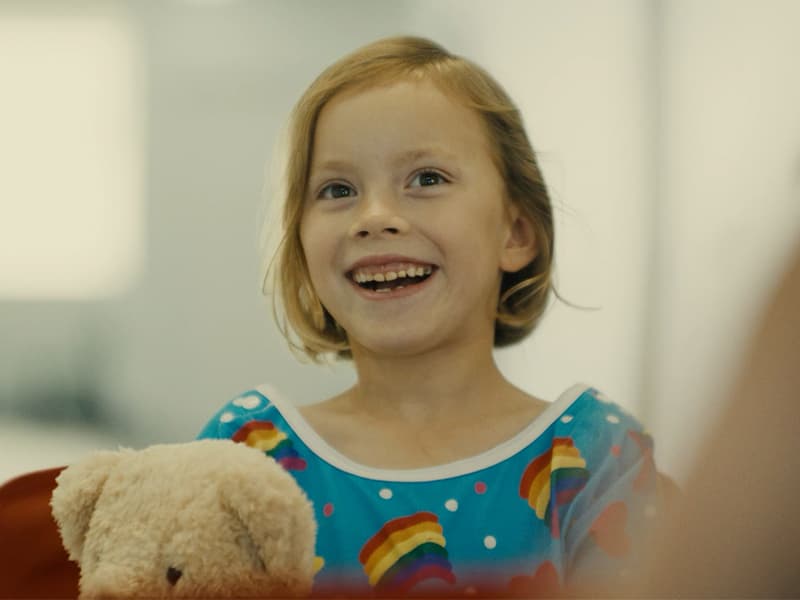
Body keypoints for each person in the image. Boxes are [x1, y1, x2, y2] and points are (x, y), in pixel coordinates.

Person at [198, 36, 664, 598]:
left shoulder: (595, 456)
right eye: (338, 189)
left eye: (426, 179)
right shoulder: (249, 449)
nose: (374, 217)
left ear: (515, 233)